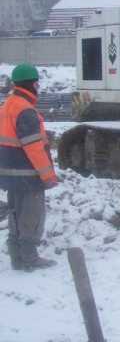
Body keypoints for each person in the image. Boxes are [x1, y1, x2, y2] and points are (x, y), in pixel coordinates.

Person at [0, 64, 58, 271]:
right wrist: (48, 176)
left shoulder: (8, 104)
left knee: (15, 213)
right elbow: (34, 148)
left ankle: (16, 257)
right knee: (32, 215)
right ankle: (29, 257)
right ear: (33, 84)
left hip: (10, 173)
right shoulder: (25, 110)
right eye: (37, 83)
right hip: (28, 173)